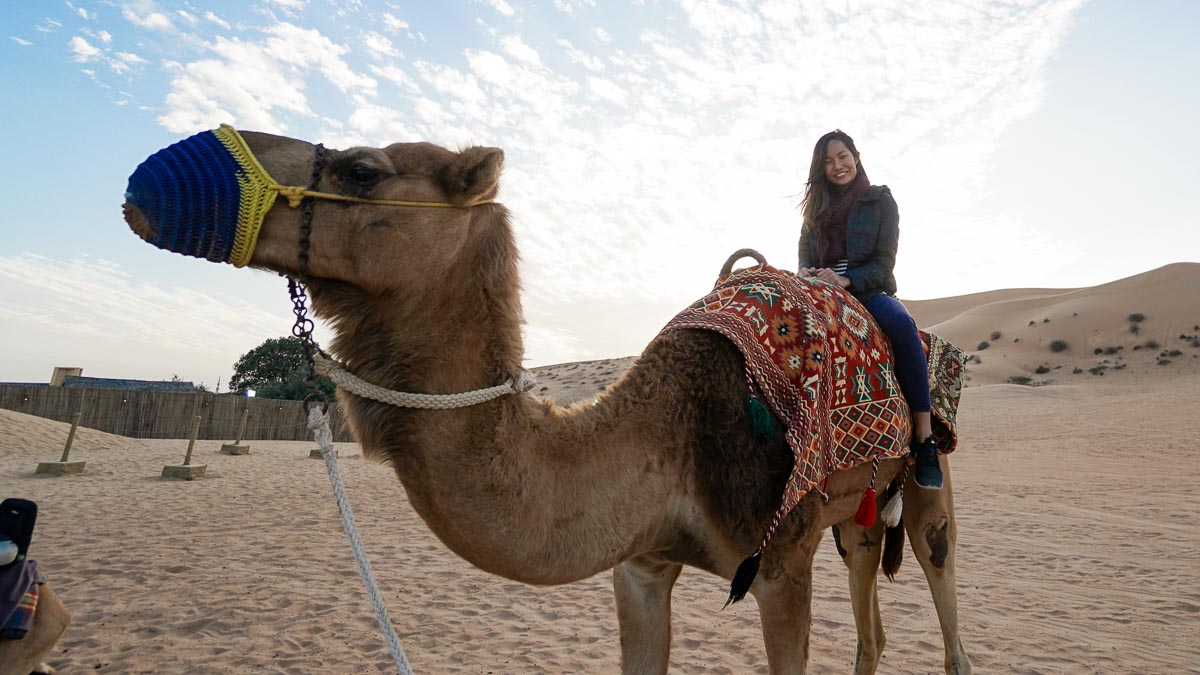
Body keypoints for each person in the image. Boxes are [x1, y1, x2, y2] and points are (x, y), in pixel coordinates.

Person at [796, 129, 942, 490]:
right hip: (820, 293)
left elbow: (884, 263)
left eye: (842, 156)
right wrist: (808, 273)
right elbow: (803, 256)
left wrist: (845, 281)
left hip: (867, 291)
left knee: (902, 328)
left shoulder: (880, 201)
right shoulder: (814, 210)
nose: (837, 166)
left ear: (856, 157)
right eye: (828, 162)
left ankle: (924, 440)